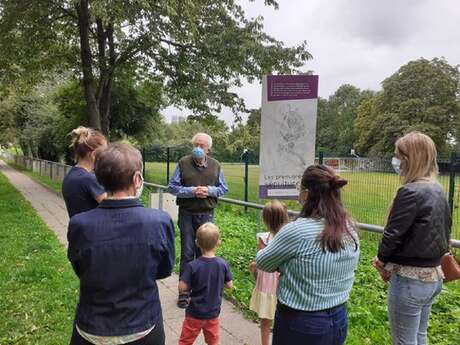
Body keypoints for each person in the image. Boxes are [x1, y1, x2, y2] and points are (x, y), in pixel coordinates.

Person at [67, 143, 175, 345]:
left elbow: (80, 267)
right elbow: (164, 269)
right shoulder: (159, 221)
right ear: (137, 178)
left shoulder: (79, 224)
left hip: (91, 328)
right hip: (143, 327)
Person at [256, 165, 359, 345]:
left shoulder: (297, 231)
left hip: (300, 323)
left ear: (306, 193)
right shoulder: (349, 228)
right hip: (338, 317)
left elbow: (263, 262)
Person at [373, 131, 451, 345]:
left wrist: (381, 260)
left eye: (398, 155)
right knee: (419, 336)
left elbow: (392, 235)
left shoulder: (410, 192)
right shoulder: (437, 190)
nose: (395, 161)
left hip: (409, 280)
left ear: (409, 159)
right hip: (433, 277)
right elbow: (445, 230)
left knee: (404, 341)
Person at [167, 133, 228, 307]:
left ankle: (202, 291)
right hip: (187, 213)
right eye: (196, 145)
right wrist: (193, 191)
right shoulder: (183, 163)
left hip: (207, 214)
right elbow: (172, 187)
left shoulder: (216, 165)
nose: (199, 148)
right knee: (187, 253)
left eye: (202, 146)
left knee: (205, 254)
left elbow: (223, 188)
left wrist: (208, 191)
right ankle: (184, 292)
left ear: (208, 148)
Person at [177, 222, 233, 345]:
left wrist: (185, 287)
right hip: (212, 313)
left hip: (194, 313)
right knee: (213, 341)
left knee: (185, 341)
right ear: (218, 242)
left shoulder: (192, 266)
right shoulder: (223, 264)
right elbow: (229, 285)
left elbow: (182, 287)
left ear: (197, 243)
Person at [248, 201, 289, 345]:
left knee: (265, 321)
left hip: (266, 286)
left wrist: (253, 267)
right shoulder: (288, 238)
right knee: (282, 320)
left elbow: (261, 262)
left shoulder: (263, 238)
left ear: (266, 220)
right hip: (282, 286)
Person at [62, 126, 107, 218]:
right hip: (94, 231)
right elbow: (115, 207)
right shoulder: (89, 179)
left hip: (78, 230)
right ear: (94, 155)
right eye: (105, 152)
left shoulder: (70, 175)